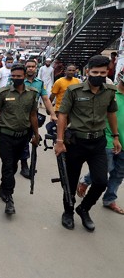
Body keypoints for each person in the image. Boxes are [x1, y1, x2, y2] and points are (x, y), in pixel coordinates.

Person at [54, 55, 121, 232]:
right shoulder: (74, 91)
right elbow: (62, 115)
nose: (98, 75)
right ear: (87, 72)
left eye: (102, 72)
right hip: (76, 142)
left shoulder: (109, 91)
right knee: (70, 181)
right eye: (95, 72)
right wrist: (59, 141)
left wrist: (115, 136)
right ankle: (68, 212)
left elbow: (111, 114)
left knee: (100, 181)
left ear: (107, 73)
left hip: (98, 143)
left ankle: (84, 209)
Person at [0, 64, 40, 215]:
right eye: (13, 76)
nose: (16, 78)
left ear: (25, 76)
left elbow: (33, 115)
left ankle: (2, 188)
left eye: (19, 76)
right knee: (8, 165)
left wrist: (36, 135)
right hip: (5, 136)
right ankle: (9, 197)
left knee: (14, 166)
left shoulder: (32, 93)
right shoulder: (3, 93)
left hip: (23, 136)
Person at [77, 72, 124, 214]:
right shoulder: (110, 92)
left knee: (119, 174)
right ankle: (86, 181)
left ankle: (109, 199)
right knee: (107, 167)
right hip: (109, 137)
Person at [19, 59, 58, 178]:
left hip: (33, 115)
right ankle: (24, 165)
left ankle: (24, 164)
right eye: (28, 66)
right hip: (20, 114)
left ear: (36, 68)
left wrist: (52, 114)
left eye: (32, 66)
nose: (30, 68)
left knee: (30, 139)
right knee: (24, 141)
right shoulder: (19, 80)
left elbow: (45, 99)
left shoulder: (39, 83)